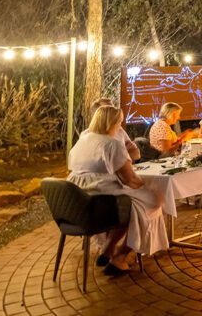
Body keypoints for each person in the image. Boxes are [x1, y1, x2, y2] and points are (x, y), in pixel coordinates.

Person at [67, 105, 168, 275]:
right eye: (120, 122)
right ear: (113, 123)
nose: (121, 126)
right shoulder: (112, 144)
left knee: (132, 206)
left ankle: (107, 248)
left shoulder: (84, 138)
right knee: (152, 203)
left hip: (78, 200)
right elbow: (131, 180)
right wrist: (150, 186)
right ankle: (120, 255)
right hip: (103, 201)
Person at [81, 98, 140, 162]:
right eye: (108, 111)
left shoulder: (119, 131)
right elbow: (98, 162)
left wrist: (125, 152)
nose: (113, 113)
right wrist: (124, 152)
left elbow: (136, 155)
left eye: (113, 109)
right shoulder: (86, 136)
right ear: (97, 115)